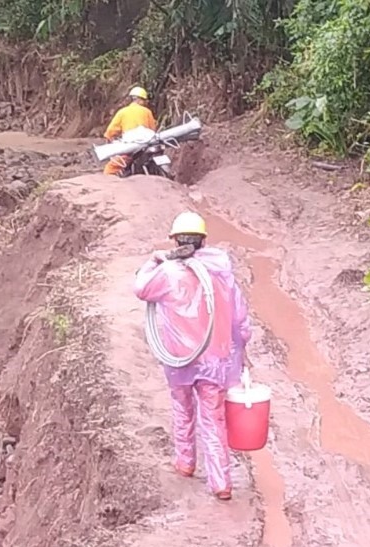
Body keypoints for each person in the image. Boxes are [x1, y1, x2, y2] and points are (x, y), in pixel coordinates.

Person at [133, 211, 252, 501]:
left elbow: (140, 288)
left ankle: (185, 463)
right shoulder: (221, 272)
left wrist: (155, 259)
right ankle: (221, 482)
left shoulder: (167, 273)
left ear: (175, 240)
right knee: (213, 420)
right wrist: (242, 347)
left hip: (179, 359)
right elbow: (240, 318)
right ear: (203, 240)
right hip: (214, 359)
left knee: (183, 409)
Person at [102, 86, 157, 176]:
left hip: (131, 147)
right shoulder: (147, 112)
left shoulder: (122, 112)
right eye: (144, 100)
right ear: (140, 100)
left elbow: (110, 131)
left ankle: (106, 186)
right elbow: (153, 129)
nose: (145, 103)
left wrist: (109, 138)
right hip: (147, 145)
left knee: (110, 168)